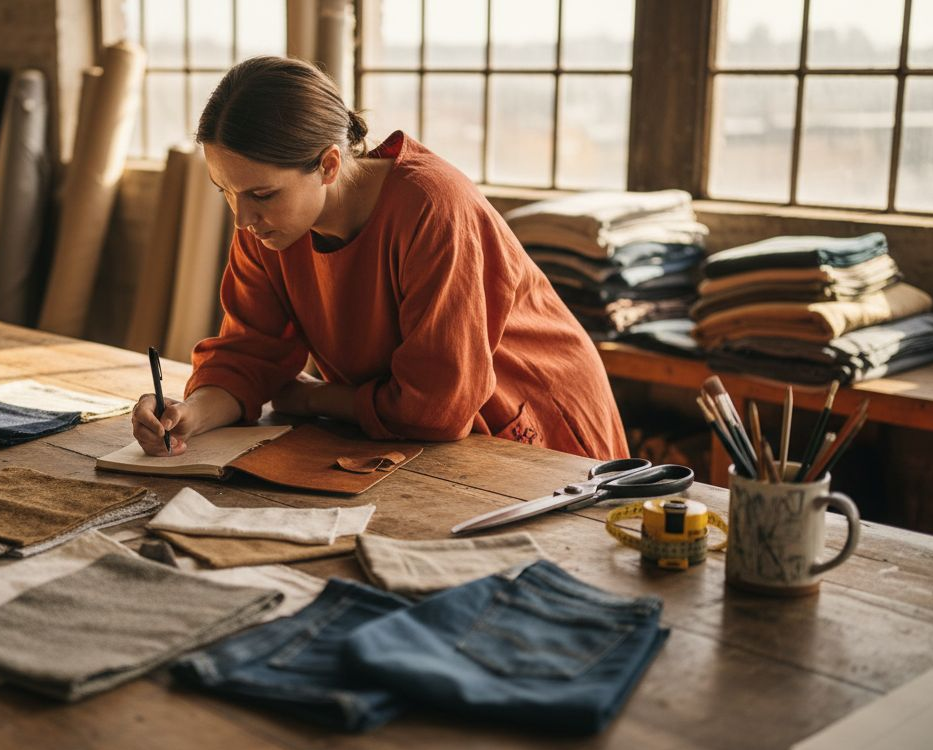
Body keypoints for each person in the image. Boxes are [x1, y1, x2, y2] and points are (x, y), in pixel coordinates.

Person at [132, 56, 628, 460]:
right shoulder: (269, 229)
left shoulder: (433, 206)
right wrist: (189, 415)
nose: (242, 219)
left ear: (328, 164)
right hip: (414, 435)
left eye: (261, 194)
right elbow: (247, 357)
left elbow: (436, 407)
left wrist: (312, 397)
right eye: (227, 192)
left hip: (534, 419)